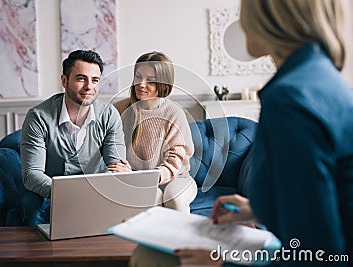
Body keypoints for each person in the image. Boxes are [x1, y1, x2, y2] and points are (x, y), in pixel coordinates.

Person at [130, 0, 353, 266]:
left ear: (270, 17)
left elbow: (319, 252)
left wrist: (222, 264)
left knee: (147, 256)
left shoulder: (290, 99)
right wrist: (257, 210)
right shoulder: (318, 77)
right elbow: (321, 204)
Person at [20, 50, 126, 224]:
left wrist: (97, 190)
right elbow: (32, 174)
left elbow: (116, 166)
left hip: (96, 190)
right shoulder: (38, 117)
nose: (89, 87)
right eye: (81, 78)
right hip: (51, 191)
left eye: (95, 80)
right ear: (64, 80)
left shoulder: (109, 115)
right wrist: (69, 193)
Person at [107, 51, 197, 214]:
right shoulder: (119, 110)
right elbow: (108, 148)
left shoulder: (174, 113)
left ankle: (183, 239)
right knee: (151, 198)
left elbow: (174, 161)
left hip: (177, 178)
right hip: (134, 180)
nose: (141, 84)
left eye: (150, 80)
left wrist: (144, 178)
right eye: (138, 77)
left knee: (174, 199)